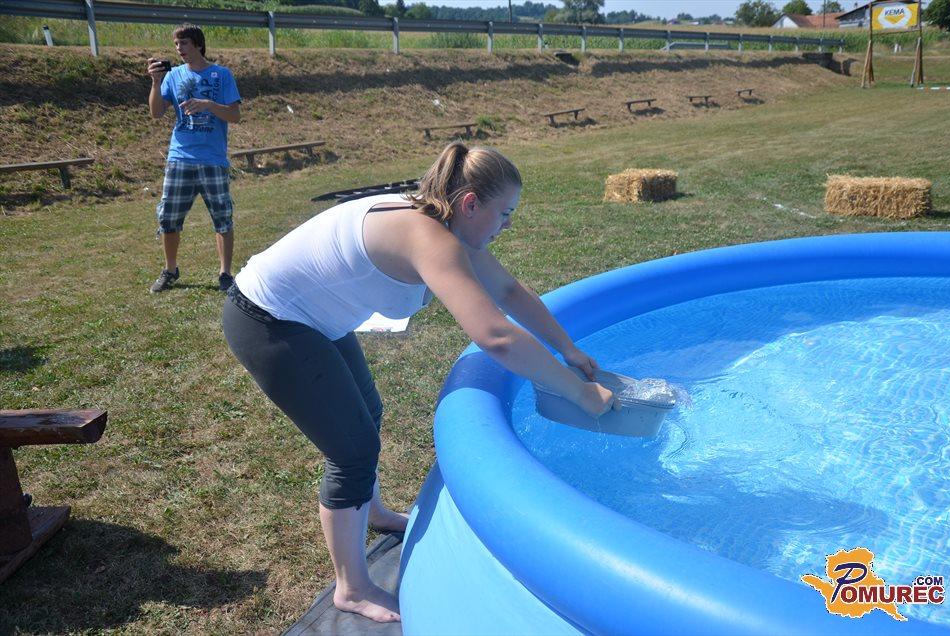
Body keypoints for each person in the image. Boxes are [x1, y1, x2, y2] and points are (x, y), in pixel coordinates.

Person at [221, 142, 617, 623]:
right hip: (267, 319)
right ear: (469, 203)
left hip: (312, 319)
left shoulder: (447, 224)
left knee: (366, 415)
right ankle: (352, 587)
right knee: (351, 450)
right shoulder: (429, 238)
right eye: (505, 213)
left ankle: (373, 513)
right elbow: (495, 336)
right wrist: (580, 392)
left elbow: (510, 292)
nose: (509, 225)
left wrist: (567, 348)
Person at [146, 24, 241, 294]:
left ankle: (225, 274)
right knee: (169, 217)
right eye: (176, 44)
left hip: (213, 159)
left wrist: (208, 104)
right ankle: (170, 270)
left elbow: (235, 116)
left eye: (184, 43)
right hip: (180, 157)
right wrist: (155, 82)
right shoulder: (173, 75)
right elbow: (156, 113)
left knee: (222, 218)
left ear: (198, 44)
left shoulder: (222, 75)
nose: (179, 49)